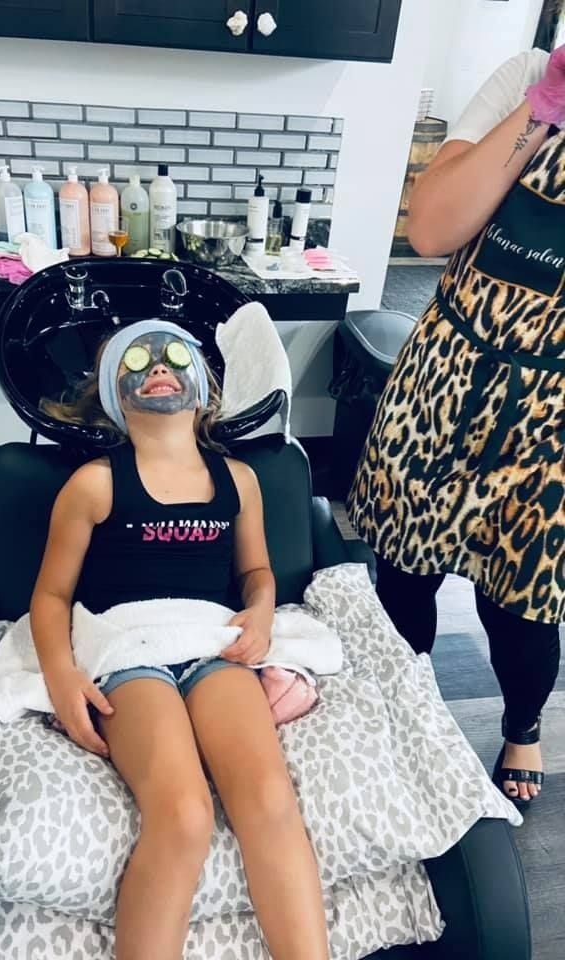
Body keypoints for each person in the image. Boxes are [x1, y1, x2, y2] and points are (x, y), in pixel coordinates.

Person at [30, 319, 330, 960]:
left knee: (271, 803)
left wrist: (263, 611)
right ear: (115, 395)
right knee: (185, 816)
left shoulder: (239, 481)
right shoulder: (94, 485)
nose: (157, 364)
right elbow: (51, 596)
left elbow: (256, 572)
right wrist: (61, 678)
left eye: (173, 354)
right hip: (130, 655)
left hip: (212, 647)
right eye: (136, 359)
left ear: (203, 385)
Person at [348, 45, 564, 809]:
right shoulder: (526, 78)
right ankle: (405, 706)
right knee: (406, 566)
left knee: (525, 598)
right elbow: (433, 228)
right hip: (446, 376)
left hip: (552, 411)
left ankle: (524, 723)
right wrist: (544, 109)